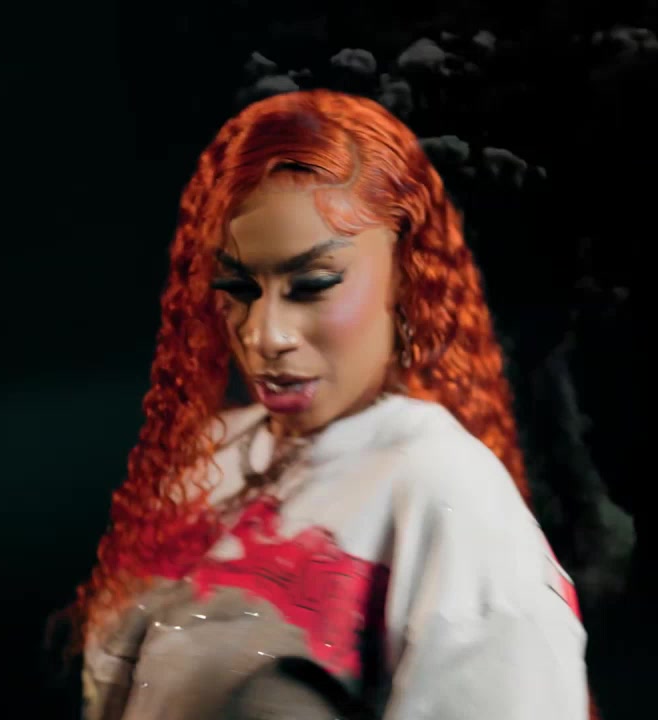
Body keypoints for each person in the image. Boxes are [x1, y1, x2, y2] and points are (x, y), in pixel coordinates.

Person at [70, 88, 594, 719]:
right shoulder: (212, 454)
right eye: (239, 287)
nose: (264, 335)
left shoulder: (450, 500)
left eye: (311, 286)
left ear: (409, 277)